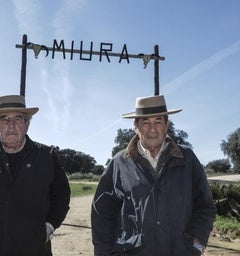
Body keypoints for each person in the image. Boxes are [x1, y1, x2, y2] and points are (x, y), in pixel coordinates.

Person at [91, 95, 216, 256]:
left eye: (158, 121)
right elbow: (102, 213)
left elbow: (205, 206)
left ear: (166, 125)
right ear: (136, 127)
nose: (152, 129)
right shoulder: (119, 163)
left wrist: (197, 244)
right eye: (145, 122)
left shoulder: (187, 158)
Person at [0, 95, 71, 256]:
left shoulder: (46, 156)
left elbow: (61, 197)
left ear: (27, 125)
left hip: (33, 250)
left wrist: (49, 227)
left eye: (18, 119)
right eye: (4, 119)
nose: (11, 125)